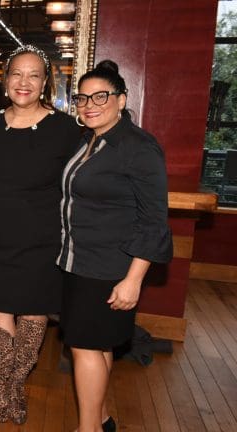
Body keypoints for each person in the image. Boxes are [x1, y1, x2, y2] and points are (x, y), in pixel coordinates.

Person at [0, 45, 81, 425]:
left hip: (44, 239)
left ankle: (15, 389)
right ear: (6, 79)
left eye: (33, 75)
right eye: (17, 74)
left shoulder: (65, 129)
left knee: (33, 314)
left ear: (45, 83)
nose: (24, 82)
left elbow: (79, 187)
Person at [58, 60, 172, 432]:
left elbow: (154, 221)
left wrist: (133, 280)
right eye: (82, 98)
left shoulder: (138, 147)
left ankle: (88, 428)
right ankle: (102, 419)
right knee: (98, 345)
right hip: (79, 262)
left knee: (85, 347)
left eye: (100, 96)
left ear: (121, 100)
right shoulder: (90, 140)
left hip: (108, 267)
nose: (89, 104)